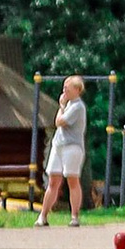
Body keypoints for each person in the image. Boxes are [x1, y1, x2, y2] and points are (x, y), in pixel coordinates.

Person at [37, 75, 89, 226]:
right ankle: (43, 216)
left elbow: (59, 121)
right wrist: (62, 106)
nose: (64, 89)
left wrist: (61, 106)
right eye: (64, 86)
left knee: (72, 180)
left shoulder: (78, 106)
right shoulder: (69, 105)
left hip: (72, 147)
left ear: (77, 90)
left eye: (68, 86)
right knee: (53, 181)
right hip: (58, 146)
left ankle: (74, 216)